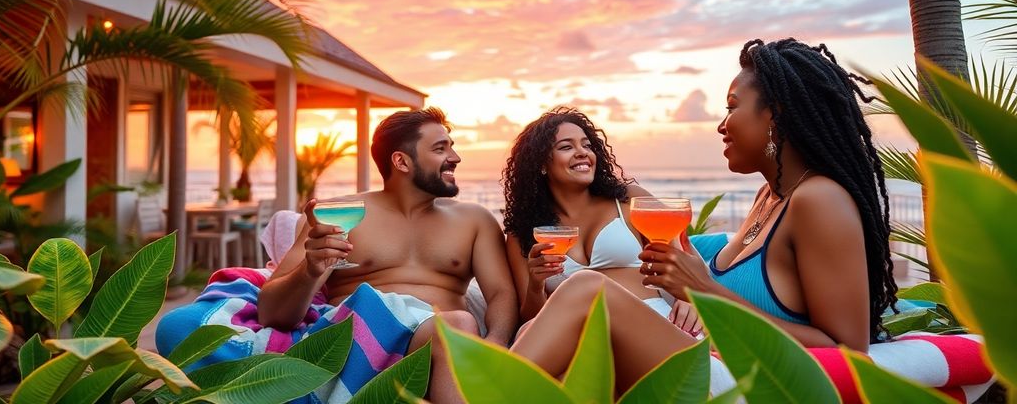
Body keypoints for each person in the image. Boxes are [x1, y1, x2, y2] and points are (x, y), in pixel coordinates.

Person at [509, 39, 898, 394]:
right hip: (708, 356)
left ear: (775, 116)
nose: (721, 125)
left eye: (731, 107)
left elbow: (846, 351)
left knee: (585, 290)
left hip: (746, 381)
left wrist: (704, 292)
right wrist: (692, 287)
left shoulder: (819, 199)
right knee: (552, 347)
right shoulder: (770, 197)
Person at [257, 107, 518, 403]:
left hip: (441, 348)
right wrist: (310, 271)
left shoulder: (475, 220)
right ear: (401, 161)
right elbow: (271, 313)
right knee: (456, 326)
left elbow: (500, 293)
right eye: (440, 148)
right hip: (361, 346)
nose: (455, 158)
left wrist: (495, 343)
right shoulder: (341, 215)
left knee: (456, 328)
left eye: (452, 147)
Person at [502, 107, 700, 336]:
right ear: (541, 164)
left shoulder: (629, 199)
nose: (582, 152)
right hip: (576, 335)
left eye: (587, 145)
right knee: (527, 331)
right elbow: (533, 318)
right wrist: (536, 286)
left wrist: (689, 299)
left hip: (649, 320)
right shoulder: (524, 232)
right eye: (566, 147)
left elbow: (683, 259)